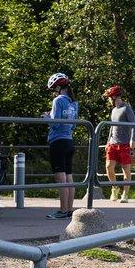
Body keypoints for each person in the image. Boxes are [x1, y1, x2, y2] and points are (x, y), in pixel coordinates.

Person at [44, 72, 79, 219]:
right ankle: (69, 209)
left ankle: (63, 211)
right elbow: (73, 125)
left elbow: (55, 123)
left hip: (57, 141)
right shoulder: (74, 102)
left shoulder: (58, 100)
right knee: (69, 177)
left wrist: (46, 118)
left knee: (60, 178)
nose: (54, 92)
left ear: (58, 87)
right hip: (69, 141)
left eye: (54, 89)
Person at [103, 85, 135, 200]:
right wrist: (108, 141)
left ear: (113, 97)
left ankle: (125, 194)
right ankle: (115, 188)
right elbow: (111, 127)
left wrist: (133, 140)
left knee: (125, 169)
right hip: (113, 143)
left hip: (124, 144)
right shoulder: (113, 110)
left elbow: (134, 125)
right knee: (109, 166)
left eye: (109, 97)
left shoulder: (126, 108)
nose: (108, 100)